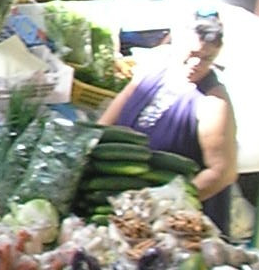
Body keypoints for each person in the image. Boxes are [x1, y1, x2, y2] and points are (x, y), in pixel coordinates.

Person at [99, 15, 239, 229]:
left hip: (174, 222)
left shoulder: (213, 102)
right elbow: (105, 125)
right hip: (124, 204)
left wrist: (164, 205)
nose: (196, 64)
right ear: (177, 43)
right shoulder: (152, 72)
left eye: (207, 59)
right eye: (192, 54)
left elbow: (222, 172)